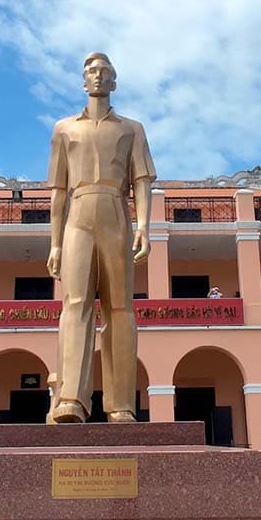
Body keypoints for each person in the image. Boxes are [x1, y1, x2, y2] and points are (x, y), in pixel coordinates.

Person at [45, 53, 156, 423]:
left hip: (115, 212)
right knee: (75, 304)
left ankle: (121, 403)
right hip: (77, 216)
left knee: (120, 308)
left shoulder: (132, 129)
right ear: (83, 81)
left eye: (104, 71)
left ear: (114, 81)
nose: (97, 76)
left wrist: (144, 226)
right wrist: (55, 243)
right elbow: (58, 190)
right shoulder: (64, 129)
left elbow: (141, 180)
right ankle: (71, 399)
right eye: (91, 71)